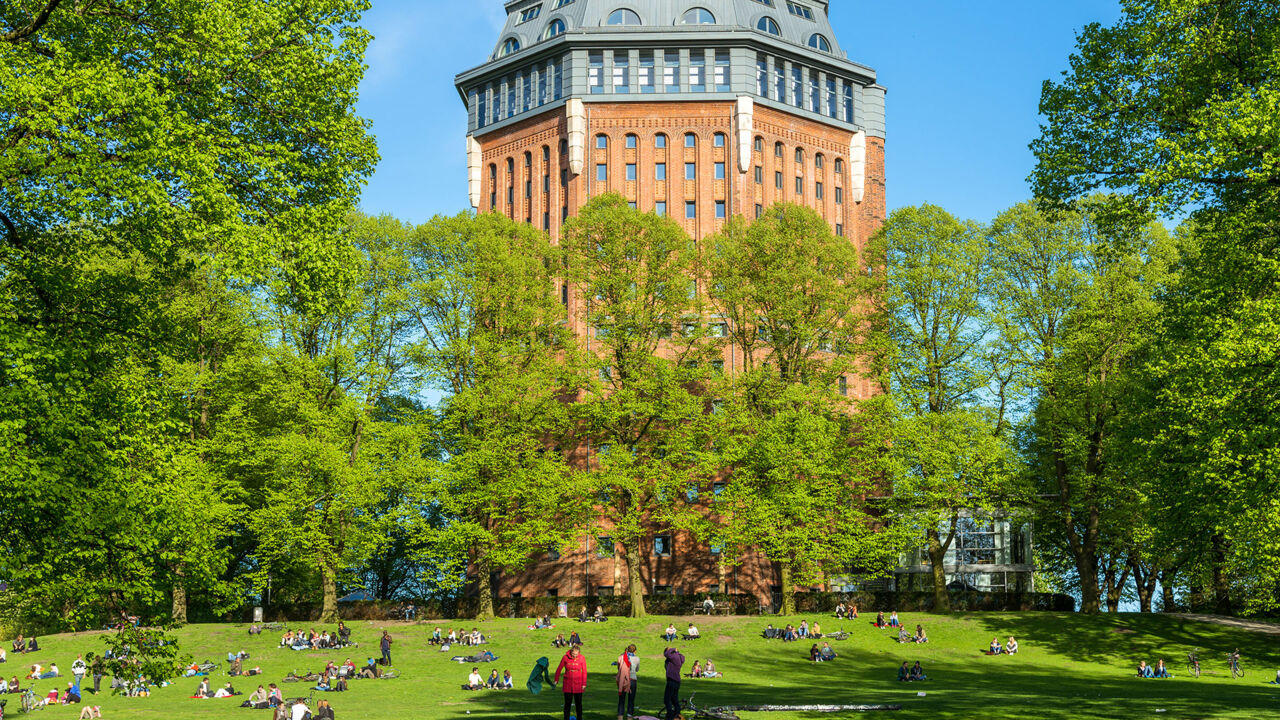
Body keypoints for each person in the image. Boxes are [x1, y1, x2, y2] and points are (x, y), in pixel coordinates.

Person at [554, 645, 587, 720]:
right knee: (567, 703)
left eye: (576, 654)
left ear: (579, 653)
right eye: (573, 654)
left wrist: (584, 684)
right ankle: (566, 718)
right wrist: (556, 679)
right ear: (571, 652)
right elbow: (559, 669)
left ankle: (580, 718)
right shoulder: (565, 657)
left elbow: (584, 672)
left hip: (578, 683)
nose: (575, 656)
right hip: (567, 683)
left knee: (578, 703)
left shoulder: (582, 658)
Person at [615, 644, 638, 720]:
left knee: (621, 700)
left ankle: (620, 717)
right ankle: (629, 717)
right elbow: (637, 669)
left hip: (623, 680)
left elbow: (619, 668)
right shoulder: (637, 659)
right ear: (635, 651)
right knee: (631, 700)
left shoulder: (621, 657)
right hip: (632, 680)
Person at [663, 647, 684, 720]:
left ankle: (670, 716)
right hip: (677, 681)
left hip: (672, 680)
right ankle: (678, 715)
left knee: (667, 699)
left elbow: (666, 654)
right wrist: (676, 651)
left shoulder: (674, 657)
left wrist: (672, 649)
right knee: (674, 699)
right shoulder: (678, 656)